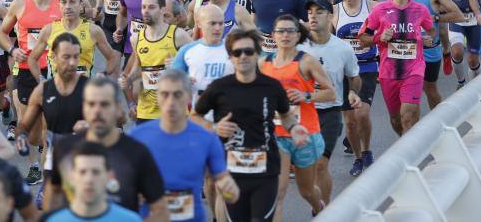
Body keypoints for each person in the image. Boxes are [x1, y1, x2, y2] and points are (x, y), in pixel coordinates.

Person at [192, 28, 309, 222]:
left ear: (257, 54)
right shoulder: (220, 87)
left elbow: (286, 115)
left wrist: (294, 128)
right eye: (237, 52)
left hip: (265, 171)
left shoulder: (271, 86)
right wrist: (213, 128)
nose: (243, 56)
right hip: (231, 173)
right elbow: (195, 116)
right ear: (230, 57)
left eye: (249, 51)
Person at [47, 77, 168, 219]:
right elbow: (53, 194)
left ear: (118, 108)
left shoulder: (137, 152)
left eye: (104, 104)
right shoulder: (64, 147)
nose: (97, 111)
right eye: (91, 104)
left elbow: (161, 211)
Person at [131, 69, 239, 222]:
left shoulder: (206, 139)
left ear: (188, 97)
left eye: (177, 95)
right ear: (158, 97)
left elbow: (227, 187)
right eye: (165, 94)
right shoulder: (137, 136)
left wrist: (229, 190)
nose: (171, 102)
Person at [260, 15, 335, 220]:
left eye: (290, 31)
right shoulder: (263, 63)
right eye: (280, 31)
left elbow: (331, 93)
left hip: (305, 134)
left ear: (298, 34)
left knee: (307, 190)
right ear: (273, 35)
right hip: (276, 134)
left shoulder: (306, 61)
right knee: (278, 192)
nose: (285, 35)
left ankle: (320, 209)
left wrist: (306, 96)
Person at [0, 0, 61, 161]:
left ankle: (45, 164)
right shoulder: (20, 4)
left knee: (51, 120)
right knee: (27, 122)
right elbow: (1, 33)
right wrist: (12, 50)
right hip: (25, 68)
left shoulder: (62, 3)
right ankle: (36, 160)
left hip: (53, 70)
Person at [359, 0, 436, 135]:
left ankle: (412, 152)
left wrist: (426, 38)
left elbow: (431, 31)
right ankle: (405, 144)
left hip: (414, 69)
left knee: (408, 113)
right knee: (395, 119)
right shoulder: (379, 10)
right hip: (389, 72)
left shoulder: (420, 9)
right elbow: (363, 40)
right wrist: (379, 38)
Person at [298, 0, 360, 205]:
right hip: (302, 112)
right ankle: (318, 205)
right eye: (310, 12)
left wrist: (353, 93)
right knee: (306, 171)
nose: (313, 16)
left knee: (321, 165)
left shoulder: (343, 48)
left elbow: (354, 78)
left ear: (330, 16)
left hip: (330, 113)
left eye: (319, 12)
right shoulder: (299, 47)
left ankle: (323, 211)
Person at [15, 33, 88, 190]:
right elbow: (23, 126)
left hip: (84, 163)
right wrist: (21, 140)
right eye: (66, 57)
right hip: (53, 163)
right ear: (53, 57)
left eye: (76, 57)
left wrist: (91, 126)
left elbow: (116, 121)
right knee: (49, 210)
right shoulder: (43, 91)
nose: (72, 63)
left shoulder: (90, 88)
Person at [122, 0, 192, 122]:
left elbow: (198, 63)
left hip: (174, 109)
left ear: (162, 9)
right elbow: (139, 67)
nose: (146, 11)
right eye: (143, 7)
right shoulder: (136, 38)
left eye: (151, 7)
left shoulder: (179, 35)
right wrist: (129, 79)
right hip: (146, 111)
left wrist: (179, 66)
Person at [333, 0, 378, 176]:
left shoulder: (373, 8)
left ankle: (367, 150)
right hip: (343, 71)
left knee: (362, 113)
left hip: (367, 67)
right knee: (350, 122)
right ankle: (358, 158)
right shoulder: (335, 11)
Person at [406, 0, 463, 109]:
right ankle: (411, 128)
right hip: (406, 48)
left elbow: (458, 15)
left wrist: (436, 18)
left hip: (429, 50)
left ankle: (440, 122)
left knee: (429, 89)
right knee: (408, 92)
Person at [30, 0, 120, 80]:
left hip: (84, 89)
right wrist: (40, 80)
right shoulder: (49, 30)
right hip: (56, 88)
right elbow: (32, 58)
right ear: (59, 5)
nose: (68, 6)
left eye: (72, 1)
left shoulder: (93, 30)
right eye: (63, 2)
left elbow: (113, 57)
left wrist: (104, 74)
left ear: (81, 5)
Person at [44, 141, 142, 222]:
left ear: (109, 176)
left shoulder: (131, 220)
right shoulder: (52, 220)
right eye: (82, 172)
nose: (89, 180)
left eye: (96, 172)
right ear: (72, 177)